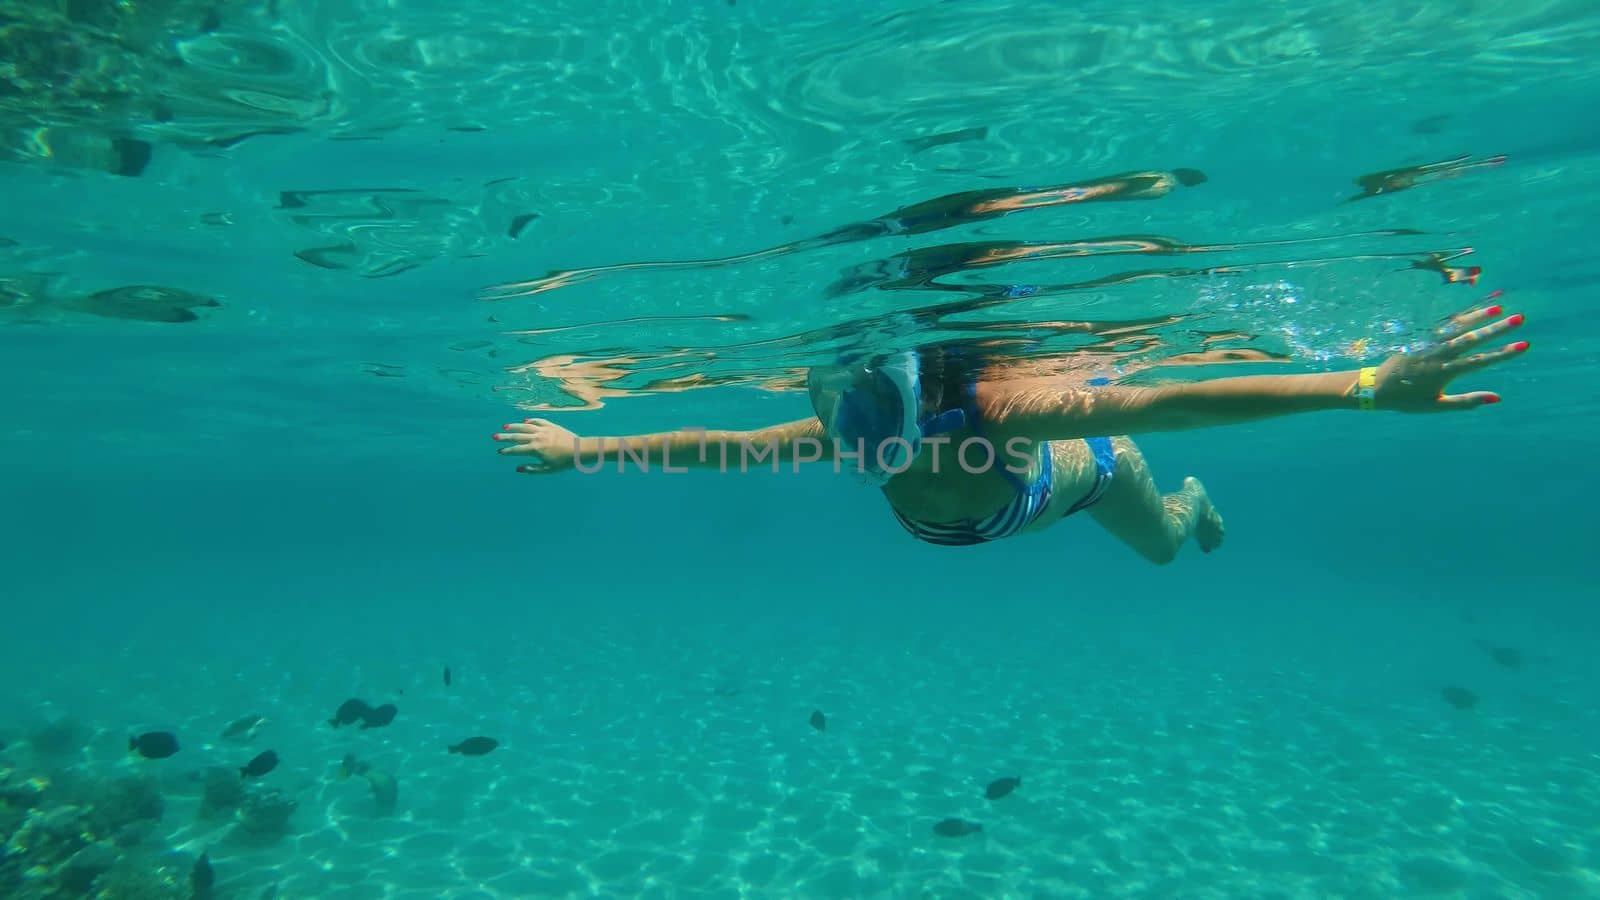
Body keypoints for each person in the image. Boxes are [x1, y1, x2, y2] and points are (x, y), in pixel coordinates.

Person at [492, 302, 1527, 564]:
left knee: (1164, 551)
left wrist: (1355, 385)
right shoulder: (841, 424)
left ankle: (1192, 503)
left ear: (927, 405)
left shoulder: (998, 409)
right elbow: (713, 443)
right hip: (972, 528)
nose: (840, 441)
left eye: (862, 420)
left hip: (1084, 483)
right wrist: (579, 450)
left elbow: (1175, 401)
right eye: (833, 413)